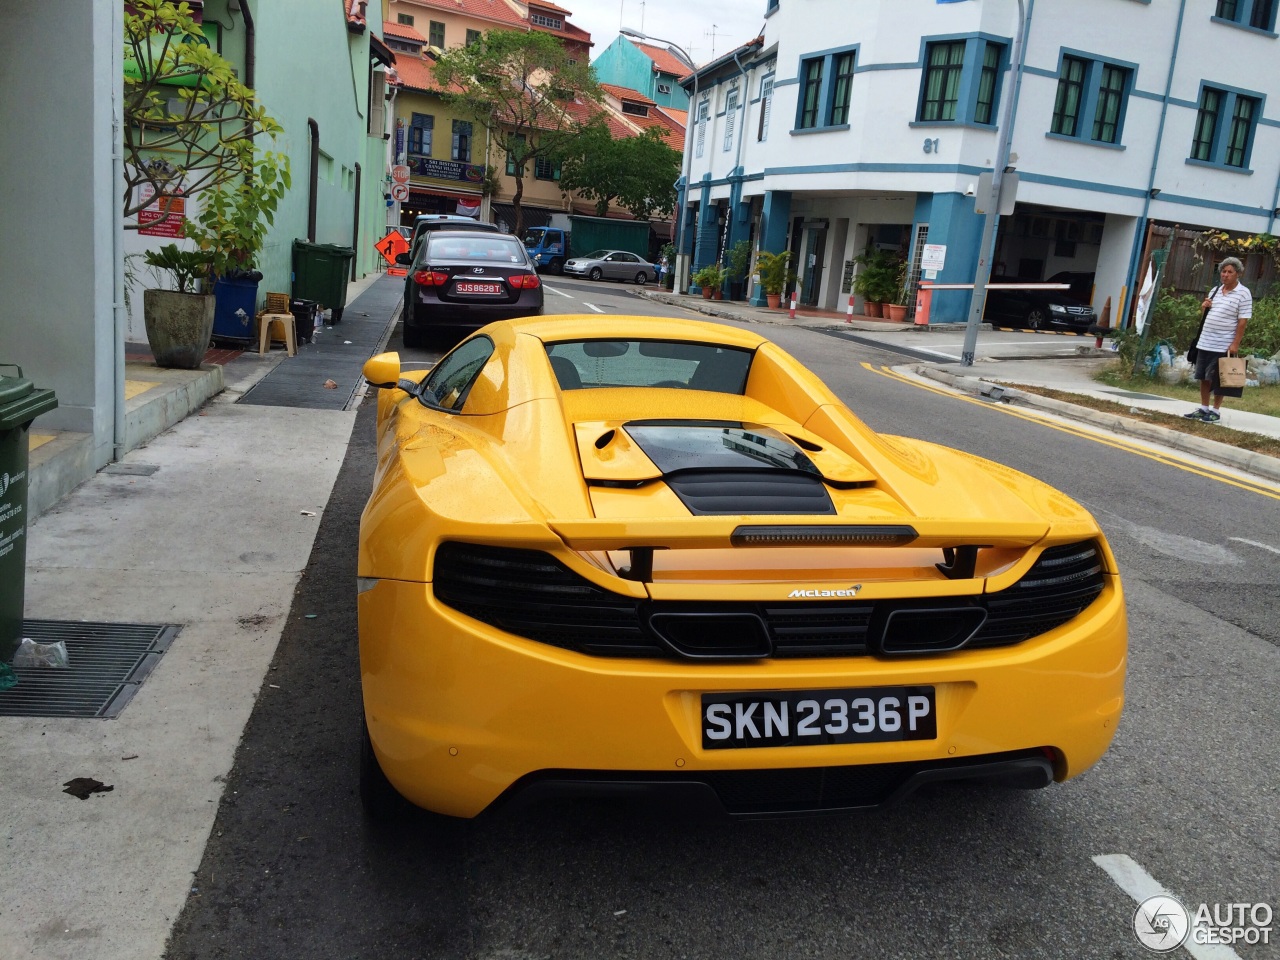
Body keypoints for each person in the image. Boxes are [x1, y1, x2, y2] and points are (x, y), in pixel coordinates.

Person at [1184, 256, 1250, 423]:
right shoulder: (1215, 290)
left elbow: (1243, 321)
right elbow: (1208, 316)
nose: (1225, 275)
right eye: (1223, 271)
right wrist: (1204, 307)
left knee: (1218, 378)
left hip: (1223, 343)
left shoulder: (1243, 293)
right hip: (1205, 341)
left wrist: (1235, 344)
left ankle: (1215, 411)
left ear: (1238, 274)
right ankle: (1203, 408)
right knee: (1203, 377)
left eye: (1230, 272)